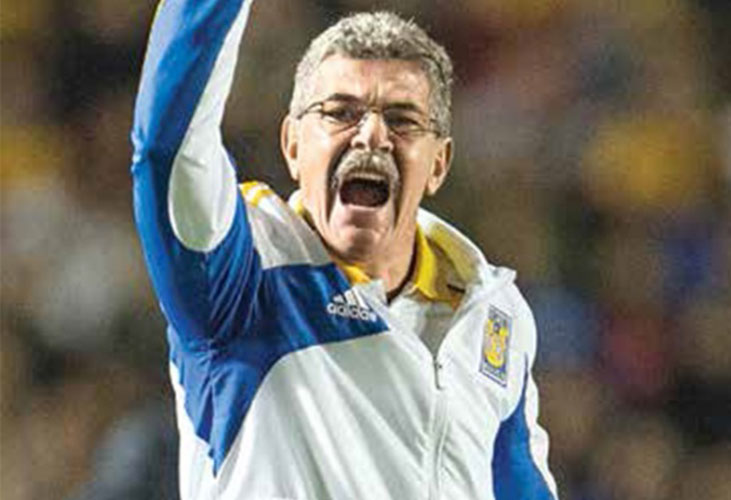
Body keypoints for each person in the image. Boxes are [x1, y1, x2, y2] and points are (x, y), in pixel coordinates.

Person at [131, 1, 558, 499]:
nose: (372, 134)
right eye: (340, 113)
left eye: (402, 120)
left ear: (439, 164)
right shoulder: (244, 277)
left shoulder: (492, 312)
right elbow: (168, 150)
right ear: (292, 145)